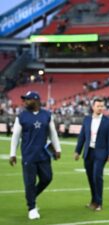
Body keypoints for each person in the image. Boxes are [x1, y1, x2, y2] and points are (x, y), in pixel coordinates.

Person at [9, 91, 62, 220]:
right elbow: (15, 136)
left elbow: (53, 133)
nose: (25, 102)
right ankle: (32, 208)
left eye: (28, 99)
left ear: (36, 100)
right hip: (28, 156)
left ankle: (31, 196)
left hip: (44, 155)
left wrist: (58, 148)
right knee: (29, 183)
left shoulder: (47, 115)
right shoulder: (21, 116)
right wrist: (12, 153)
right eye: (25, 99)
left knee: (47, 178)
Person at [74, 97, 109, 211]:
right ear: (93, 107)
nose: (100, 108)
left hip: (101, 153)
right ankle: (93, 201)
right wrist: (78, 151)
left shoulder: (108, 122)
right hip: (88, 152)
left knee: (97, 176)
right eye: (98, 106)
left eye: (102, 106)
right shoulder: (87, 120)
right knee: (90, 177)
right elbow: (82, 136)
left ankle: (99, 203)